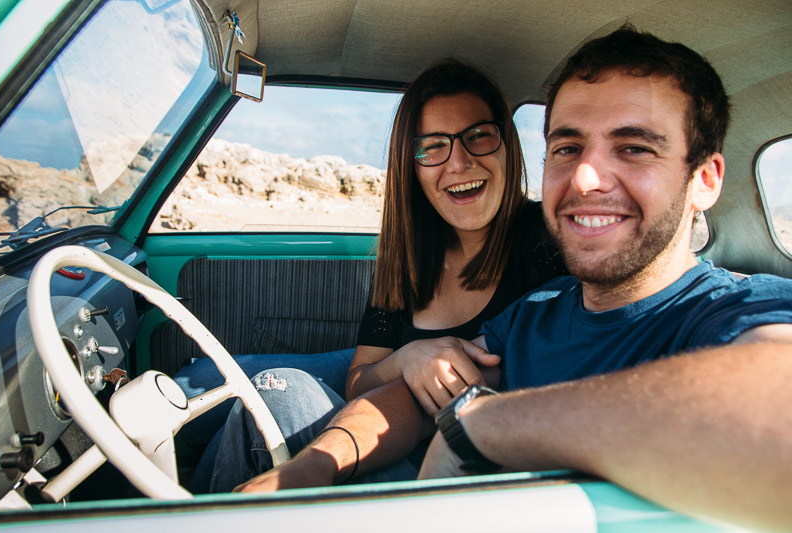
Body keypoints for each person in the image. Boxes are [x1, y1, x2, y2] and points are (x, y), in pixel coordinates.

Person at [216, 26, 792, 531]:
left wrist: (481, 424)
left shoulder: (735, 308)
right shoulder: (536, 311)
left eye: (634, 148)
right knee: (270, 395)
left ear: (705, 180)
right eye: (567, 147)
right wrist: (314, 466)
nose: (586, 177)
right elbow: (409, 401)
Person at [185, 59, 566, 491]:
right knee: (199, 382)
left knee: (275, 393)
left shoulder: (548, 243)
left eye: (478, 136)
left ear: (507, 145)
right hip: (382, 420)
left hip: (448, 472)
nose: (459, 161)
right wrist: (408, 358)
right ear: (412, 167)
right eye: (433, 146)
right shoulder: (411, 257)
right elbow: (358, 380)